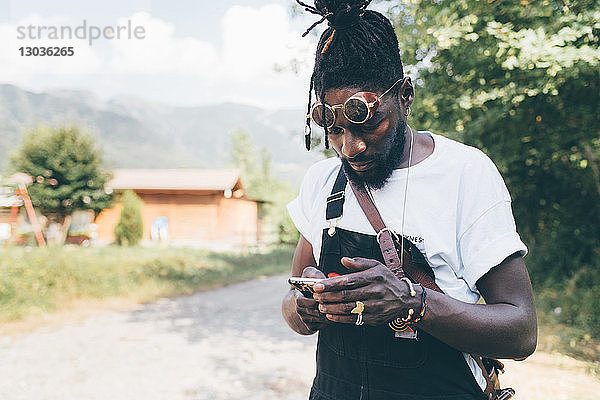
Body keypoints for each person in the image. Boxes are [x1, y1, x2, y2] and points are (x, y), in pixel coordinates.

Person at [281, 1, 537, 399]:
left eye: (369, 123)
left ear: (404, 95)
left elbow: (521, 332)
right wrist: (306, 308)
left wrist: (411, 303)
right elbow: (292, 305)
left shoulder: (464, 174)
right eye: (334, 129)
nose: (350, 148)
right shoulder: (322, 182)